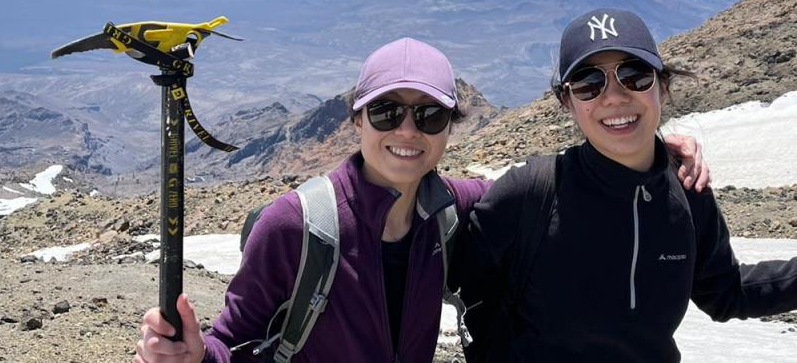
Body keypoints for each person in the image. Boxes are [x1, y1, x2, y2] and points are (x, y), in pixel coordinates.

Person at [134, 36, 711, 363]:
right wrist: (189, 357)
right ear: (356, 119)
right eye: (387, 112)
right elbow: (229, 344)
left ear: (448, 128)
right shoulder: (294, 225)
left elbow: (549, 190)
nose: (408, 131)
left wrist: (652, 150)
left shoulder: (450, 211)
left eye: (429, 115)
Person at [456, 9, 797, 362]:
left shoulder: (686, 192)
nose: (614, 96)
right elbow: (434, 259)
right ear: (568, 103)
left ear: (662, 87)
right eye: (589, 83)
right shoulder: (530, 191)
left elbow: (727, 293)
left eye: (635, 75)